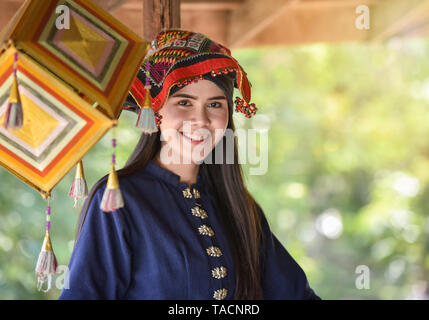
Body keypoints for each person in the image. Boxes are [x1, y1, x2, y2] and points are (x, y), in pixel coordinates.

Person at [58, 29, 320, 300]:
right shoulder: (118, 200)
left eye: (215, 105)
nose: (201, 120)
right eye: (184, 102)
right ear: (155, 111)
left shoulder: (240, 208)